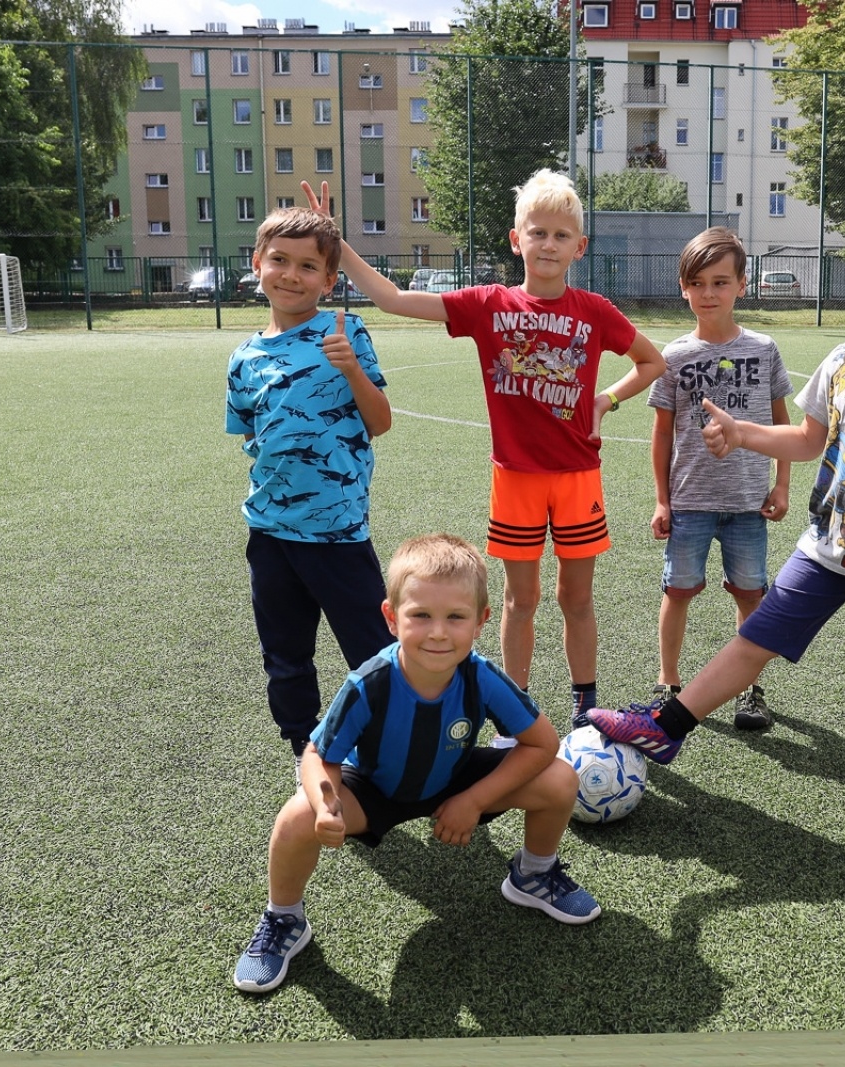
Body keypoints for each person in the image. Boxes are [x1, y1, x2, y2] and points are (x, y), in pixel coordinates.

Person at [589, 216, 845, 842]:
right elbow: (807, 439)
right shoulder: (844, 359)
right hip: (825, 548)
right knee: (755, 638)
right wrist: (743, 434)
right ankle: (666, 727)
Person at [299, 172, 664, 732]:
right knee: (521, 599)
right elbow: (393, 299)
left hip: (577, 478)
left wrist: (606, 400)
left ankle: (584, 704)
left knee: (577, 598)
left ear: (579, 247)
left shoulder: (593, 310)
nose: (548, 244)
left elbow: (650, 361)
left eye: (561, 235)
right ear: (516, 240)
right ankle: (513, 707)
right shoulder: (488, 304)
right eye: (537, 232)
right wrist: (335, 241)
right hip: (515, 478)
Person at [233, 533, 600, 994]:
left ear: (482, 620)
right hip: (376, 789)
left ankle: (533, 873)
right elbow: (317, 755)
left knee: (560, 778)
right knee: (296, 816)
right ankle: (284, 918)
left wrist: (473, 799)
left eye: (455, 617)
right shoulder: (370, 682)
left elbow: (542, 744)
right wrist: (325, 804)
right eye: (421, 615)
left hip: (453, 780)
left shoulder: (482, 677)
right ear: (391, 617)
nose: (439, 632)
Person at [226, 207, 394, 765]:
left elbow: (380, 421)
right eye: (279, 261)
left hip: (338, 530)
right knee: (285, 653)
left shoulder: (343, 330)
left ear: (329, 279)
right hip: (270, 531)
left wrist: (350, 370)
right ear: (257, 264)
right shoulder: (244, 357)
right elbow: (251, 434)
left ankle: (392, 748)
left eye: (307, 266)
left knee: (374, 653)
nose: (291, 275)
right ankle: (306, 748)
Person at [648, 227, 792, 730]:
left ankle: (751, 690)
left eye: (721, 282)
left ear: (742, 286)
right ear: (683, 288)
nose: (709, 293)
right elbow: (662, 435)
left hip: (749, 502)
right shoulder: (674, 355)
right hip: (690, 502)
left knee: (751, 594)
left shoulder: (764, 348)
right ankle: (668, 683)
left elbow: (781, 425)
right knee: (679, 591)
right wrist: (662, 501)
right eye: (698, 283)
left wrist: (782, 485)